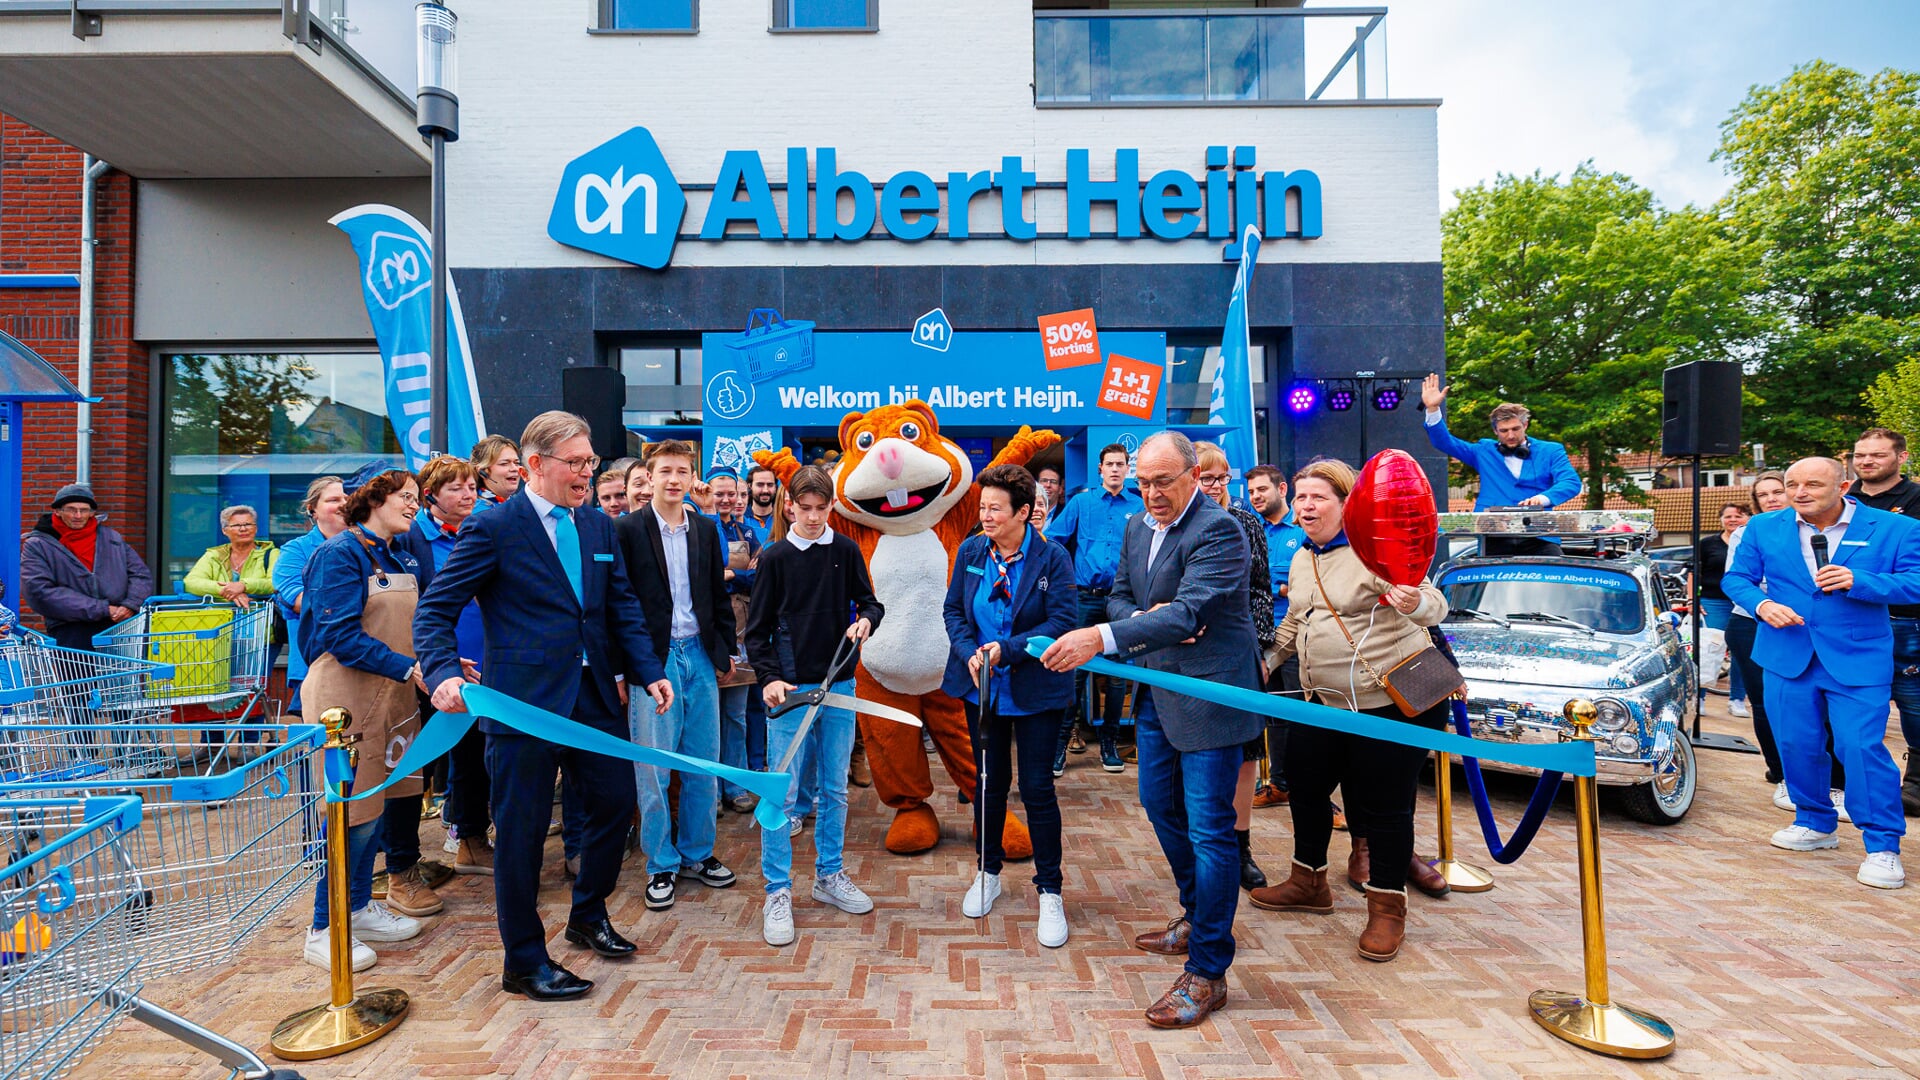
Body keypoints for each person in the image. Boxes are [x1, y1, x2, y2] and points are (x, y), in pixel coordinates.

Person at [415, 411, 673, 1001]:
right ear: (535, 465)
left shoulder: (599, 528)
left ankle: (588, 916)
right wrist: (443, 672)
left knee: (615, 803)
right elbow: (435, 610)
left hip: (593, 698)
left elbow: (620, 608)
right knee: (525, 834)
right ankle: (524, 961)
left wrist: (649, 671)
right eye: (577, 463)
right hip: (521, 705)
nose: (588, 472)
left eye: (592, 462)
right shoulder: (493, 528)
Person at [1040, 431, 1261, 1030]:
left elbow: (1190, 613)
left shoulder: (1219, 530)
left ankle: (1208, 970)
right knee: (1157, 804)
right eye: (1143, 481)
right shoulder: (1138, 526)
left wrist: (1109, 636)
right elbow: (1116, 597)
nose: (1151, 493)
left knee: (1212, 830)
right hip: (1159, 692)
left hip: (1211, 698)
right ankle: (1197, 912)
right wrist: (1140, 622)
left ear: (1194, 474)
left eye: (1164, 481)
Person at [1247, 458, 1450, 963]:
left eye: (1319, 497)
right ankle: (1308, 882)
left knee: (1384, 809)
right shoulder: (1302, 558)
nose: (1305, 505)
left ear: (1348, 505)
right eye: (1300, 497)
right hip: (1323, 705)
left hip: (1390, 707)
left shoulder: (1375, 552)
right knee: (1306, 792)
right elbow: (1295, 621)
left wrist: (1411, 604)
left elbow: (1434, 603)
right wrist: (1268, 662)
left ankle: (1387, 908)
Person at [1725, 456, 1920, 890]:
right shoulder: (1762, 527)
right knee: (1796, 744)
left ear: (1844, 486)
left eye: (1813, 483)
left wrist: (1862, 581)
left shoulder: (1896, 528)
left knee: (1861, 747)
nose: (1800, 492)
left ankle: (1883, 846)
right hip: (1785, 653)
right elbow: (1737, 578)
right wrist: (1761, 605)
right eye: (1793, 483)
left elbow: (1916, 580)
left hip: (1857, 657)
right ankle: (1814, 821)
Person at [295, 463, 433, 971]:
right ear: (375, 497)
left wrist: (437, 662)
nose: (415, 503)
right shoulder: (340, 554)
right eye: (406, 495)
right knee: (347, 816)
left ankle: (358, 906)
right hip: (345, 701)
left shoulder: (397, 554)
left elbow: (417, 625)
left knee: (381, 808)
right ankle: (324, 927)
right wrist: (408, 666)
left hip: (394, 699)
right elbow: (338, 636)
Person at [744, 465, 884, 948]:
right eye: (803, 510)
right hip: (791, 690)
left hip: (840, 684)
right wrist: (769, 679)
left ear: (830, 508)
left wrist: (866, 620)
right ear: (789, 507)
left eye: (820, 510)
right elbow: (756, 631)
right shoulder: (776, 558)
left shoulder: (844, 550)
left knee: (835, 789)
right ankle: (778, 890)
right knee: (779, 795)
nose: (812, 518)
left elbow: (871, 603)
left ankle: (829, 875)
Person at [943, 464, 1077, 947]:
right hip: (982, 690)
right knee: (988, 785)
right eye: (982, 508)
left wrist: (1009, 648)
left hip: (1036, 689)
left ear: (1024, 512)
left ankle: (1050, 891)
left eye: (995, 509)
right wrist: (969, 653)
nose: (985, 516)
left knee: (1038, 788)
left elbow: (1063, 620)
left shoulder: (1053, 558)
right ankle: (987, 872)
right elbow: (954, 610)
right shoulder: (971, 551)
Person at [614, 440, 739, 910]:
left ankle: (697, 853)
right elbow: (617, 605)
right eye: (663, 471)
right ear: (648, 477)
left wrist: (723, 653)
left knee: (704, 761)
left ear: (692, 478)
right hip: (653, 661)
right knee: (654, 768)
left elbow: (716, 593)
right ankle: (660, 862)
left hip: (700, 656)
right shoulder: (627, 530)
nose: (672, 479)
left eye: (681, 471)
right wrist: (622, 671)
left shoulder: (705, 530)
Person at [1728, 471, 1846, 812]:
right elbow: (1741, 580)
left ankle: (1835, 784)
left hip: (1812, 622)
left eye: (1778, 491)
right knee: (1767, 704)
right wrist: (1768, 604)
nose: (1772, 499)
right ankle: (1783, 776)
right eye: (1763, 495)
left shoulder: (1825, 530)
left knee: (1824, 703)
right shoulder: (1747, 533)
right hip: (1752, 622)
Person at [399, 456, 493, 879]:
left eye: (472, 486)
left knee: (475, 757)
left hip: (482, 667)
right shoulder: (412, 539)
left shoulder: (482, 529)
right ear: (430, 495)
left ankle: (472, 840)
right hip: (431, 668)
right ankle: (403, 863)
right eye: (456, 488)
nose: (467, 494)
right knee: (420, 762)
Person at [1193, 443, 1275, 892]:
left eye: (1223, 478)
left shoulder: (1245, 522)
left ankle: (1240, 846)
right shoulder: (1169, 526)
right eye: (1208, 479)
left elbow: (1261, 590)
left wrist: (1260, 649)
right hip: (1187, 659)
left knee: (1246, 754)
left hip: (1238, 654)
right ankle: (1199, 844)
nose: (1217, 487)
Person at [1048, 443, 1145, 772]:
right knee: (1072, 672)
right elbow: (1053, 540)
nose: (1116, 469)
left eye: (1121, 464)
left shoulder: (1139, 506)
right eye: (1110, 464)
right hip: (1084, 597)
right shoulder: (1081, 502)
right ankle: (1060, 746)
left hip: (1121, 599)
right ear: (1100, 469)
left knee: (1117, 677)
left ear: (1128, 469)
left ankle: (1109, 745)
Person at [1420, 374, 1581, 556]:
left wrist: (1542, 499)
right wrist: (1433, 409)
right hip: (1494, 534)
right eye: (1504, 431)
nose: (1510, 435)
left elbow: (1571, 482)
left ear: (1525, 425)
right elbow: (1445, 442)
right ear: (1495, 430)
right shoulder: (1483, 450)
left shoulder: (1551, 450)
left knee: (1552, 578)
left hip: (1540, 535)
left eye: (1515, 429)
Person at [1848, 427, 1920, 815]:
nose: (1867, 462)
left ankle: (1916, 785)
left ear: (1901, 458)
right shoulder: (1842, 500)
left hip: (1906, 621)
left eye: (1876, 455)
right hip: (1850, 621)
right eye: (1861, 455)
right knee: (1852, 703)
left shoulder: (1917, 499)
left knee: (1914, 706)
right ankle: (1854, 781)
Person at [20, 484, 153, 652]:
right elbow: (39, 591)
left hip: (119, 625)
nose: (78, 515)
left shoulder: (112, 538)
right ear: (57, 511)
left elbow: (140, 575)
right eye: (71, 509)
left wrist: (130, 605)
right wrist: (103, 609)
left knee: (121, 678)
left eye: (84, 510)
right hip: (70, 629)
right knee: (78, 677)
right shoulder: (38, 544)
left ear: (92, 513)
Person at [1245, 464, 1304, 810]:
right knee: (1270, 715)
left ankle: (1314, 793)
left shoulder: (1303, 529)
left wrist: (1281, 588)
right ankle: (1278, 784)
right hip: (1260, 636)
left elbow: (1306, 586)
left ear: (1282, 489)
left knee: (1300, 715)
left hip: (1295, 638)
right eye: (1251, 492)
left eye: (1262, 490)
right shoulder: (1252, 530)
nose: (1256, 497)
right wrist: (1279, 587)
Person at [711, 471, 768, 810]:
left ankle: (735, 786)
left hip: (744, 630)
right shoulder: (703, 528)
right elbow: (707, 574)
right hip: (714, 630)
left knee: (736, 713)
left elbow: (761, 573)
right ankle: (712, 790)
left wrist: (733, 574)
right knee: (709, 718)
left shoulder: (747, 531)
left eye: (732, 494)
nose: (727, 499)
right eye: (720, 494)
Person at [274, 476, 348, 717]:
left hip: (367, 662)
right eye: (334, 499)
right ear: (312, 509)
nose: (343, 503)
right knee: (318, 746)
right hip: (314, 664)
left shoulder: (373, 546)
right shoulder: (295, 551)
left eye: (348, 498)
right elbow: (297, 600)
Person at [1697, 501, 1752, 713]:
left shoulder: (1751, 541)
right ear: (1721, 520)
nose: (1733, 520)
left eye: (1738, 516)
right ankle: (1700, 698)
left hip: (1743, 603)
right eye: (1728, 516)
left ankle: (1737, 699)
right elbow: (1695, 571)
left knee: (1741, 651)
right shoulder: (1708, 543)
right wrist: (1693, 600)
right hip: (1713, 602)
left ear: (1748, 518)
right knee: (1709, 649)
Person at [185, 505, 277, 609]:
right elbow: (191, 582)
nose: (243, 529)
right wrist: (228, 591)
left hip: (258, 620)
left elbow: (274, 583)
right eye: (236, 525)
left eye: (248, 524)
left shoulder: (272, 554)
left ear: (255, 528)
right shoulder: (214, 555)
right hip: (221, 620)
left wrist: (244, 586)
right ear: (224, 530)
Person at [470, 434, 524, 512]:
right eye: (504, 463)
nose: (515, 468)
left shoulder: (520, 506)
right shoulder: (477, 513)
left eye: (517, 463)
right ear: (482, 471)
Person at [743, 463, 778, 544]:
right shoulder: (740, 518)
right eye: (760, 485)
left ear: (776, 487)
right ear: (750, 486)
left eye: (770, 485)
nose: (765, 490)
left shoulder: (783, 518)